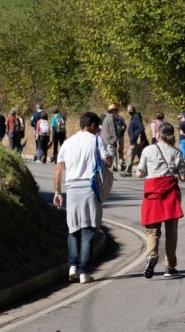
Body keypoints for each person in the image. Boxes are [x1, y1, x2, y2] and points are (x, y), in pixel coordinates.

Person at [54, 112, 112, 284]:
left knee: (73, 229)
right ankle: (84, 272)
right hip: (90, 187)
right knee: (87, 231)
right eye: (98, 127)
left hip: (71, 188)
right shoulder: (96, 140)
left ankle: (72, 266)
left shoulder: (67, 142)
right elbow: (107, 162)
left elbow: (58, 169)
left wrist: (57, 192)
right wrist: (108, 157)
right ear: (93, 125)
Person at [136, 122, 185, 278]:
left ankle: (152, 255)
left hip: (152, 193)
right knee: (171, 232)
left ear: (157, 134)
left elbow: (139, 173)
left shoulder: (147, 150)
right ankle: (169, 266)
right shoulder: (177, 152)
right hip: (171, 192)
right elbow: (184, 177)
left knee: (152, 229)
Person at [121, 105, 147, 177]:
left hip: (136, 140)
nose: (128, 111)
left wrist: (139, 137)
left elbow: (141, 127)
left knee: (130, 154)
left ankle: (128, 171)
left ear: (131, 110)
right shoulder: (134, 117)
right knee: (141, 155)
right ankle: (146, 170)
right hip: (136, 140)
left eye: (128, 110)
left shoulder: (136, 117)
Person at [101, 104, 120, 171]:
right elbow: (113, 130)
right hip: (109, 140)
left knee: (108, 156)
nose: (118, 112)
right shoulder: (111, 118)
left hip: (104, 140)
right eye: (116, 110)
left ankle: (108, 170)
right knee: (110, 158)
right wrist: (116, 140)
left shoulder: (106, 118)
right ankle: (106, 171)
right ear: (113, 111)